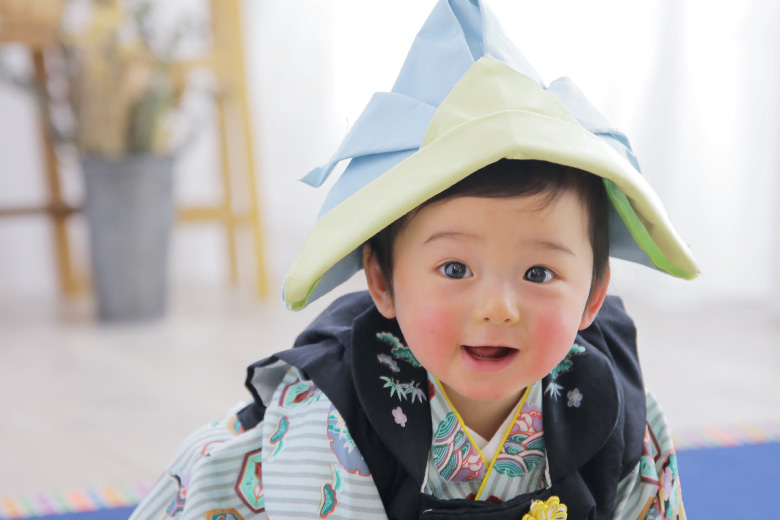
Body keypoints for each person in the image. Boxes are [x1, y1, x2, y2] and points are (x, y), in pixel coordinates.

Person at [131, 1, 698, 519]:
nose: (498, 307)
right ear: (381, 280)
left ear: (593, 294)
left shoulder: (617, 407)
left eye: (538, 273)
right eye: (455, 269)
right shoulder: (330, 419)